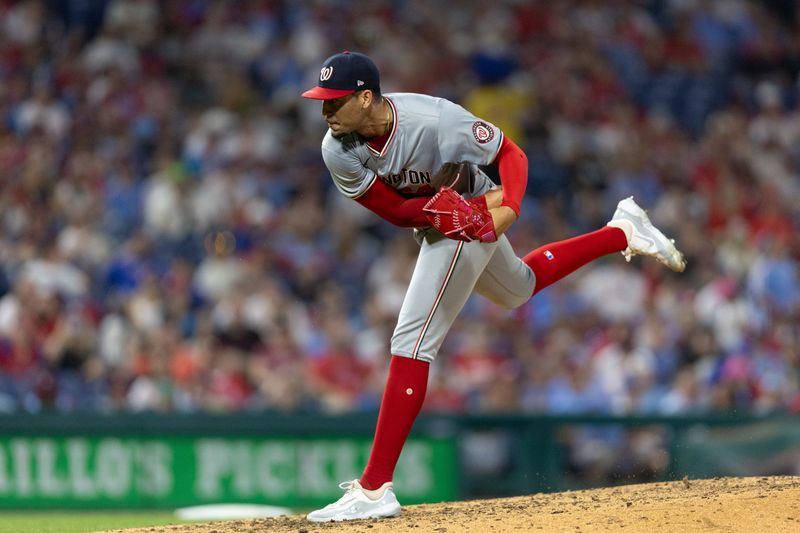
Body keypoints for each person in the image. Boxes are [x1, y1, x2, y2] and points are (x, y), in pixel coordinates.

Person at [301, 51, 685, 522]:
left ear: (366, 97)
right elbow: (395, 212)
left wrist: (504, 210)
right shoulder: (335, 148)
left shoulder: (435, 120)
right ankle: (622, 231)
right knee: (517, 288)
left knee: (412, 341)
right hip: (448, 214)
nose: (326, 112)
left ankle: (375, 486)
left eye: (334, 102)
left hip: (474, 202)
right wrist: (452, 212)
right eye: (322, 102)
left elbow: (512, 154)